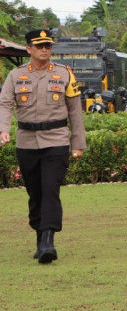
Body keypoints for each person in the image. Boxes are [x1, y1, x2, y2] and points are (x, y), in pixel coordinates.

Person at [0, 29, 86, 263]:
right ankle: (40, 238)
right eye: (39, 46)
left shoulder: (64, 73)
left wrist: (77, 142)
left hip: (56, 140)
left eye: (48, 45)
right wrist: (3, 129)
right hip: (26, 142)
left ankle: (49, 242)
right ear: (29, 49)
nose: (44, 49)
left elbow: (75, 110)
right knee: (35, 192)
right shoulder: (15, 76)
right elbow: (5, 103)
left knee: (50, 189)